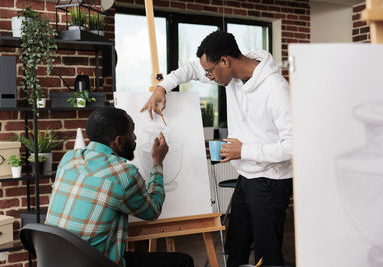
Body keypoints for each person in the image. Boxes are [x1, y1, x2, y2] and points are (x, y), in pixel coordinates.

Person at [141, 30, 293, 267]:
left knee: (267, 255)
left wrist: (244, 151)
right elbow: (190, 70)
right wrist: (163, 87)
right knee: (236, 246)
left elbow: (294, 146)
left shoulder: (276, 89)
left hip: (272, 181)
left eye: (210, 71)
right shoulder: (230, 76)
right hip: (247, 177)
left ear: (225, 61)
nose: (208, 77)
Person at [45, 107, 194, 267]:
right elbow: (153, 210)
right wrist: (157, 163)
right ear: (119, 141)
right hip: (96, 262)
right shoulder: (124, 175)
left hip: (57, 260)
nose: (135, 137)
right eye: (132, 132)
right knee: (183, 262)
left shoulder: (69, 159)